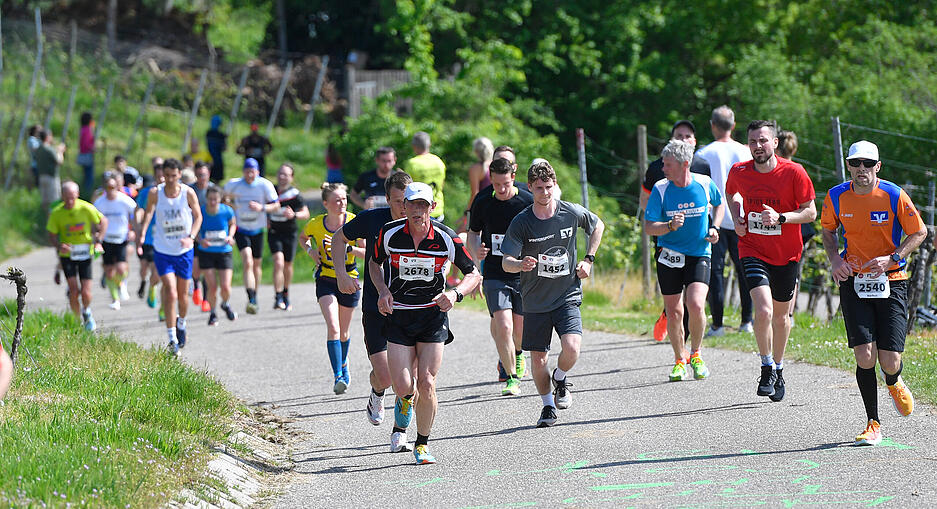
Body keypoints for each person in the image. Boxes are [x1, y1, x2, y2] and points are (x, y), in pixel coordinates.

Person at [821, 140, 925, 445]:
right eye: (856, 163)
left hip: (892, 279)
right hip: (854, 280)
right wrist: (835, 259)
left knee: (889, 360)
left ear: (877, 166)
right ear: (849, 165)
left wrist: (893, 257)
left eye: (868, 163)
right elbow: (827, 230)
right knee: (865, 356)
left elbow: (919, 232)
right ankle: (873, 423)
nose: (861, 169)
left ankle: (893, 379)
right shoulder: (836, 196)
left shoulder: (893, 194)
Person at [370, 182, 481, 464]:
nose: (418, 210)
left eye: (423, 205)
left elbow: (473, 274)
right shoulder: (389, 233)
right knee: (403, 386)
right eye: (412, 204)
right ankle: (404, 404)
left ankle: (422, 444)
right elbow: (373, 263)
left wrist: (455, 294)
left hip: (432, 316)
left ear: (432, 207)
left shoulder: (446, 237)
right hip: (399, 315)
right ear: (404, 206)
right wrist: (382, 291)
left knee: (427, 381)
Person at [501, 160, 604, 428]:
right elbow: (506, 261)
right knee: (538, 358)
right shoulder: (522, 222)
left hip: (566, 294)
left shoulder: (569, 212)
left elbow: (598, 226)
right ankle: (548, 406)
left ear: (554, 185)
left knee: (572, 347)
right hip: (535, 300)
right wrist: (519, 264)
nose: (545, 193)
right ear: (530, 188)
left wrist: (588, 259)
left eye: (548, 187)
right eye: (539, 188)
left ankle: (560, 377)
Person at [725, 119, 816, 402]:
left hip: (786, 254)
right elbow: (731, 193)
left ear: (775, 143)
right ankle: (765, 366)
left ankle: (778, 367)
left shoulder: (794, 172)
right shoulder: (739, 171)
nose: (758, 146)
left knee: (781, 317)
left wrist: (781, 218)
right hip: (752, 248)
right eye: (753, 141)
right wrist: (737, 217)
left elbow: (811, 212)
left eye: (763, 140)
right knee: (763, 311)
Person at [331, 171, 416, 450]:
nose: (402, 207)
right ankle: (377, 391)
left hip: (410, 308)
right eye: (397, 201)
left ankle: (400, 432)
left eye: (406, 201)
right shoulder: (372, 219)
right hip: (375, 305)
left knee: (407, 378)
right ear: (387, 199)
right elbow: (339, 239)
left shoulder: (419, 223)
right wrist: (342, 274)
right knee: (386, 376)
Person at [643, 139, 724, 381]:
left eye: (668, 165)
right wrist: (669, 226)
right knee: (674, 310)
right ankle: (680, 359)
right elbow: (649, 227)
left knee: (696, 304)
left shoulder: (704, 183)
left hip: (699, 253)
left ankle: (696, 354)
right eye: (663, 164)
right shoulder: (660, 189)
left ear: (684, 164)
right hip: (669, 255)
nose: (663, 169)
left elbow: (719, 204)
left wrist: (715, 227)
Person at [639, 120, 712, 343]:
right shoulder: (657, 168)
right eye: (679, 135)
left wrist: (711, 224)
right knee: (674, 298)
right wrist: (662, 222)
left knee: (695, 298)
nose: (683, 139)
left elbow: (712, 200)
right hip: (666, 237)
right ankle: (670, 315)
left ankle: (689, 336)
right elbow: (645, 200)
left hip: (698, 241)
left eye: (687, 136)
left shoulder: (703, 167)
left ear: (694, 141)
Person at [466, 157, 534, 395]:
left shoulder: (527, 200)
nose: (502, 189)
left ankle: (519, 352)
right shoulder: (483, 201)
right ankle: (511, 378)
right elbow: (472, 234)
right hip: (495, 273)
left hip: (523, 273)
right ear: (491, 181)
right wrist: (477, 252)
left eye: (506, 184)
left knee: (520, 330)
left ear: (513, 177)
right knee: (503, 325)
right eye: (496, 185)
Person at [696, 106, 754, 336]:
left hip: (714, 221)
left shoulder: (703, 153)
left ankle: (717, 324)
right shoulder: (746, 152)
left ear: (713, 125)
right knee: (746, 271)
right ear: (734, 125)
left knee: (716, 272)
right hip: (743, 218)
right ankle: (747, 321)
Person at [301, 183, 365, 393]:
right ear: (325, 204)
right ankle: (338, 375)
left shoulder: (354, 222)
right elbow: (303, 238)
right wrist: (310, 251)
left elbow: (367, 252)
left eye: (344, 199)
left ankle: (344, 364)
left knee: (344, 332)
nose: (342, 203)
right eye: (337, 200)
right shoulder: (316, 224)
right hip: (326, 278)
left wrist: (346, 247)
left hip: (349, 278)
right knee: (333, 327)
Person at [138, 159, 203, 355]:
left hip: (183, 251)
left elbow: (198, 216)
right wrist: (142, 233)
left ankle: (181, 323)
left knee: (183, 296)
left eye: (174, 176)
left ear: (180, 175)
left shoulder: (187, 193)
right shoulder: (155, 193)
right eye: (167, 176)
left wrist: (191, 237)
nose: (170, 179)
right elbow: (149, 213)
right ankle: (172, 337)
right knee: (170, 292)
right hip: (163, 249)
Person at [47, 181, 108, 331]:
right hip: (67, 255)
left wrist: (99, 240)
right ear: (62, 196)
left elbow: (104, 221)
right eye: (66, 198)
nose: (70, 201)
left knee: (86, 292)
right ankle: (76, 321)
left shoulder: (86, 208)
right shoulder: (57, 213)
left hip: (85, 253)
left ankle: (86, 311)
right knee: (74, 291)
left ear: (77, 195)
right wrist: (59, 245)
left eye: (72, 197)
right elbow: (51, 234)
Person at [224, 158, 279, 314]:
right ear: (243, 172)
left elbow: (276, 205)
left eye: (252, 172)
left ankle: (255, 294)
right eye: (247, 172)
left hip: (258, 229)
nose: (249, 175)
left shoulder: (265, 185)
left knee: (256, 265)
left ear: (258, 172)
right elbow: (222, 197)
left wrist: (261, 207)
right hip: (241, 228)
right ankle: (251, 297)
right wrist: (230, 204)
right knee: (247, 261)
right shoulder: (234, 184)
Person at [269, 163, 310, 310]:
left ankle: (285, 293)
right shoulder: (270, 191)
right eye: (280, 173)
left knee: (287, 265)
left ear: (291, 178)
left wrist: (294, 214)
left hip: (290, 233)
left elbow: (306, 213)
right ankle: (277, 296)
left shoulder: (295, 194)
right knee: (278, 262)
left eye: (286, 175)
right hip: (274, 232)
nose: (282, 177)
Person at [93, 175, 138, 310]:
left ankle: (121, 283)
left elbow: (136, 213)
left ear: (117, 187)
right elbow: (93, 220)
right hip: (106, 239)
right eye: (108, 187)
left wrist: (133, 230)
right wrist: (96, 234)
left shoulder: (124, 200)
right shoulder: (99, 203)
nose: (110, 190)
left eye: (113, 187)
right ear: (104, 188)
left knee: (121, 268)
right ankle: (115, 299)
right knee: (109, 271)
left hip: (121, 238)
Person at [198, 186, 239, 326]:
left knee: (226, 286)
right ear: (206, 199)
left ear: (220, 199)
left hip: (224, 251)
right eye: (210, 199)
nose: (212, 202)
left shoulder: (227, 210)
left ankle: (225, 304)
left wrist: (230, 236)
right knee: (212, 286)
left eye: (215, 199)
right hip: (206, 252)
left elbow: (233, 224)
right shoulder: (201, 211)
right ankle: (213, 313)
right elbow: (194, 229)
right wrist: (200, 240)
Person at [136, 159, 164, 309]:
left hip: (165, 238)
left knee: (156, 269)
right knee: (144, 266)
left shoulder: (174, 193)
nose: (162, 179)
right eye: (159, 176)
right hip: (148, 237)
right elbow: (139, 209)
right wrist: (138, 226)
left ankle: (153, 287)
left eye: (164, 176)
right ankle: (144, 282)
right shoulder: (147, 193)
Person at [401, 132, 446, 222]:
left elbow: (407, 188)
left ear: (414, 146)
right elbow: (442, 184)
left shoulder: (412, 164)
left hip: (420, 212)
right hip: (438, 210)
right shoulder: (438, 161)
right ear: (429, 144)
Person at [190, 163, 217, 312]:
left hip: (210, 233)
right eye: (199, 175)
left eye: (204, 175)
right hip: (194, 232)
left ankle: (206, 299)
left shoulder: (213, 190)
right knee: (196, 267)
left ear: (209, 174)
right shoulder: (190, 190)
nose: (202, 178)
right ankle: (195, 285)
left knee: (208, 269)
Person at [462, 137, 494, 230]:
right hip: (495, 204)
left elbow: (475, 193)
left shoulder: (476, 168)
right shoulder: (496, 165)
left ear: (476, 152)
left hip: (481, 207)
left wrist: (467, 212)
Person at [35, 129, 66, 214]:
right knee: (54, 201)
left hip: (41, 177)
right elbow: (59, 161)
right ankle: (54, 218)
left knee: (45, 202)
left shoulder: (38, 149)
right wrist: (60, 151)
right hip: (51, 178)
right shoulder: (49, 149)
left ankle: (47, 218)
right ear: (47, 137)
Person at [77, 112, 96, 197]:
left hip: (82, 154)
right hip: (87, 154)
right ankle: (88, 192)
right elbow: (87, 143)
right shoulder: (88, 129)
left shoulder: (82, 129)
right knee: (89, 175)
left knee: (85, 174)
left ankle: (84, 190)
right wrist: (92, 148)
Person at [205, 115, 228, 183]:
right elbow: (224, 148)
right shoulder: (221, 135)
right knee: (216, 180)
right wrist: (225, 139)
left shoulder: (208, 133)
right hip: (217, 160)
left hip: (209, 158)